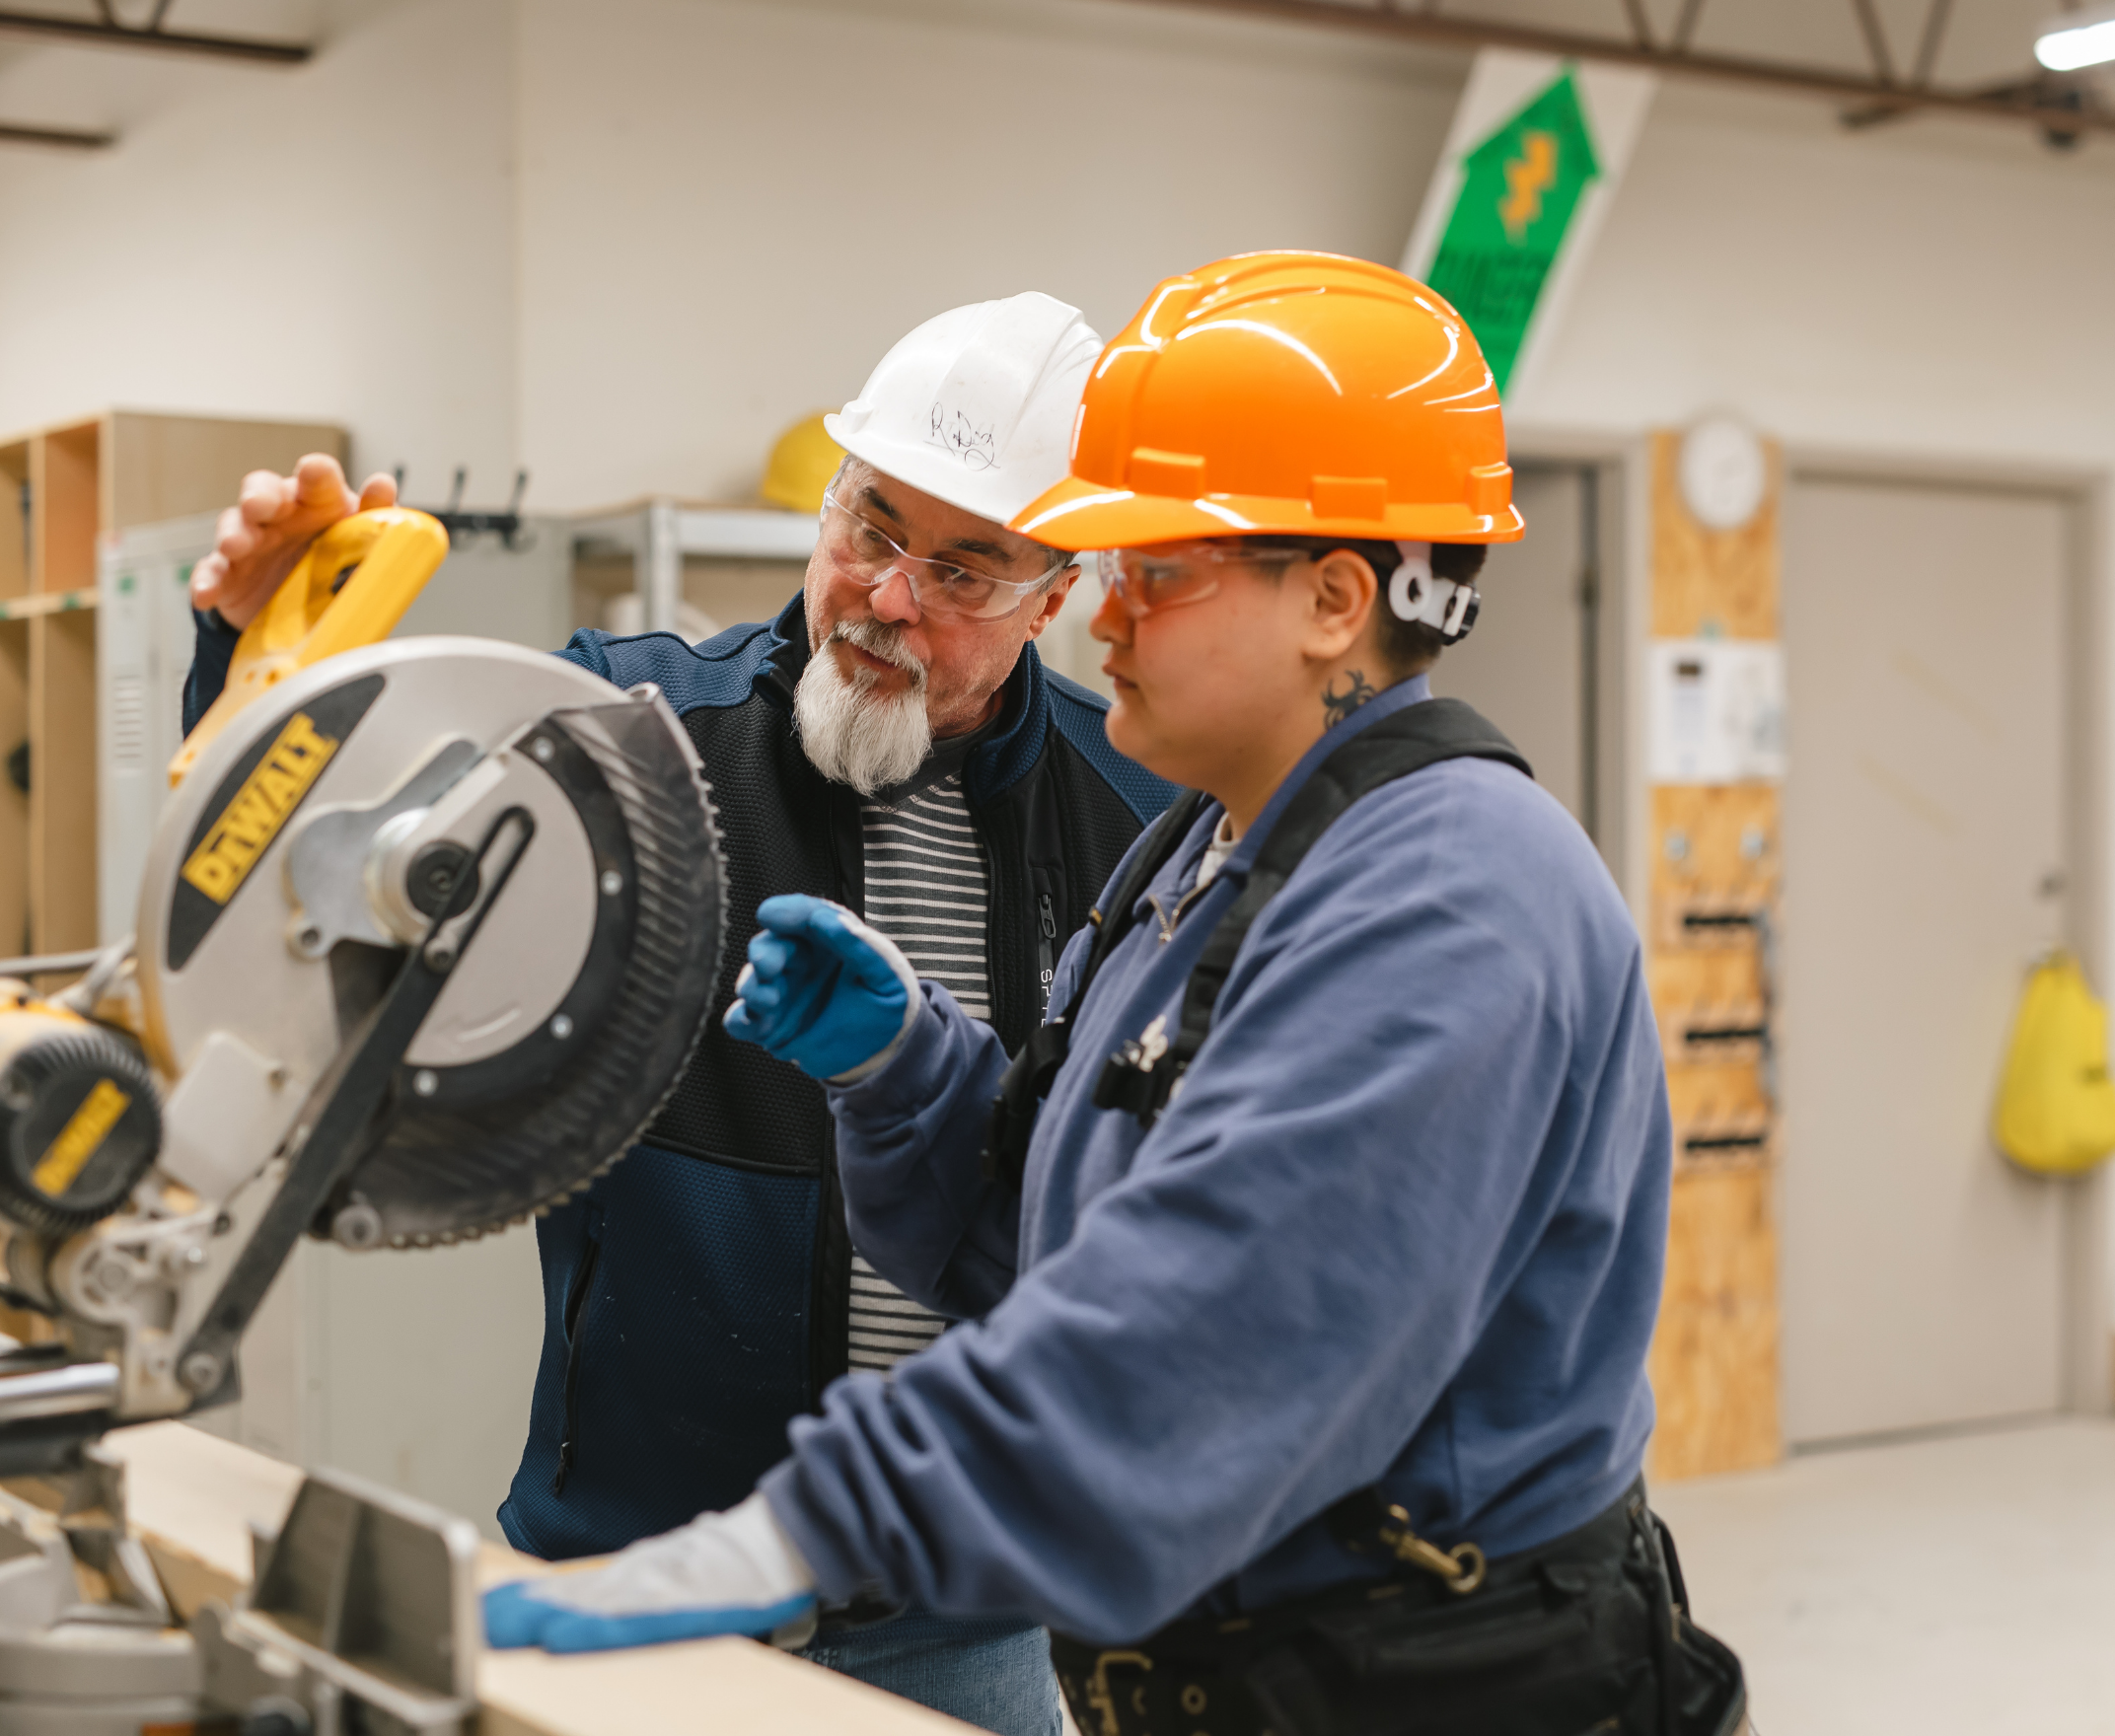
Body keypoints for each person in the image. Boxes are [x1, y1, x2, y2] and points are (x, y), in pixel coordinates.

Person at [480, 251, 1748, 1734]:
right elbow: (1057, 1237)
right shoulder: (1203, 852)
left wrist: (803, 1529)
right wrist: (914, 1076)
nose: (1108, 620)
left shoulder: (1453, 893)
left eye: (1153, 571)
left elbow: (1207, 1331)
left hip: (1427, 1682)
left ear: (1336, 601)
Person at [182, 292, 1176, 1736]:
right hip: (625, 1585)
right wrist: (248, 658)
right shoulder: (630, 746)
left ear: (1061, 592)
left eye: (966, 572)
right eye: (873, 528)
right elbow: (320, 878)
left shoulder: (1134, 814)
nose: (890, 599)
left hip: (964, 1630)